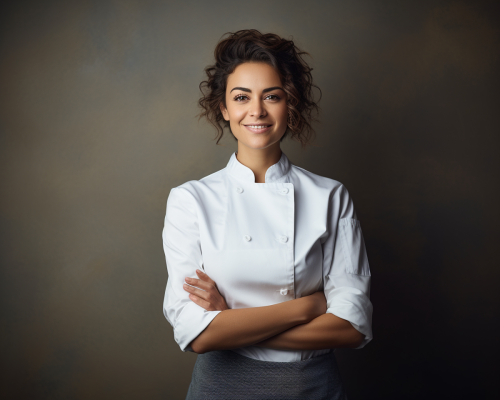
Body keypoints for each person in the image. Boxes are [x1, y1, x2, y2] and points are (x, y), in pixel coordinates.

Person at [162, 29, 373, 400]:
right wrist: (308, 306)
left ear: (290, 104)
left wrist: (229, 320)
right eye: (241, 97)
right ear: (224, 108)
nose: (256, 111)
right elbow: (196, 334)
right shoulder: (190, 200)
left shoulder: (330, 196)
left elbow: (353, 327)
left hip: (312, 386)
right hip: (221, 388)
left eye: (272, 96)